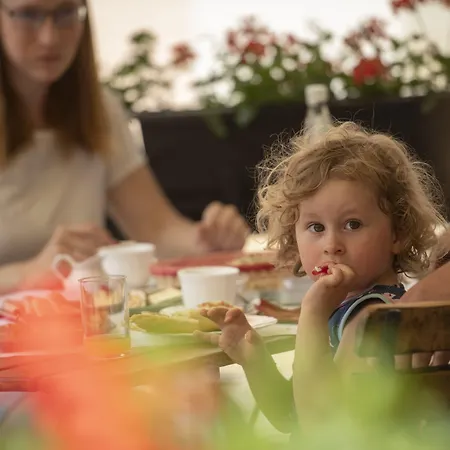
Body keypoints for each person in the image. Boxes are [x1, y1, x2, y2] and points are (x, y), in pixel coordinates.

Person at [196, 122, 447, 433]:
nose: (332, 245)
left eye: (352, 224)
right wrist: (253, 358)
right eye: (316, 227)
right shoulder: (351, 309)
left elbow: (319, 429)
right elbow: (292, 415)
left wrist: (313, 312)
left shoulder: (373, 321)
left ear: (398, 233)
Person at [0, 0, 250, 294]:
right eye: (28, 14)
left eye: (65, 12)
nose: (49, 37)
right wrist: (28, 273)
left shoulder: (99, 110)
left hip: (75, 314)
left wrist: (208, 240)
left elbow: (157, 230)